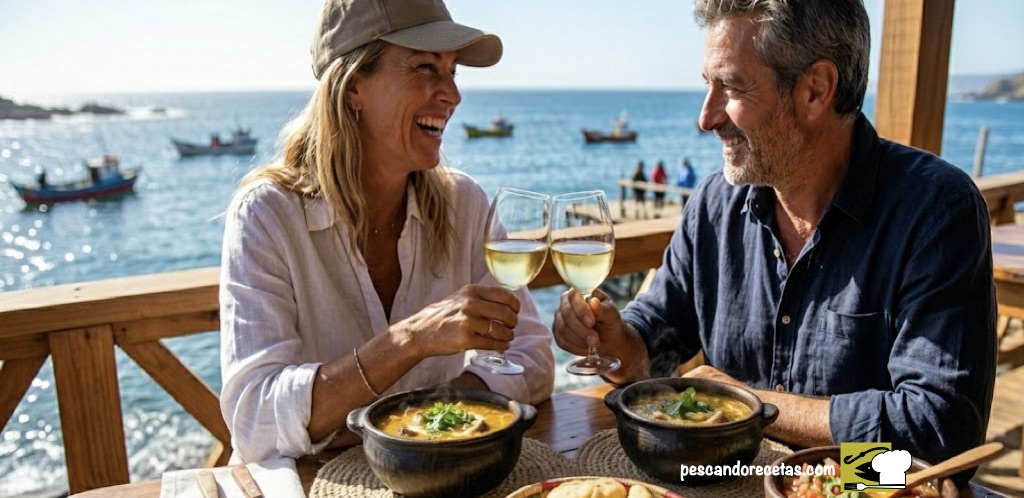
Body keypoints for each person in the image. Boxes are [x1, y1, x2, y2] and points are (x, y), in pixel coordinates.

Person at [552, 0, 995, 483]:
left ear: (816, 90)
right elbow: (655, 341)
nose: (706, 117)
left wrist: (752, 409)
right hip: (724, 483)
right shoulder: (715, 204)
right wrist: (615, 341)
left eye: (731, 87)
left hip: (861, 490)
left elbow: (943, 438)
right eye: (708, 85)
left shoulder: (936, 210)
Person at [219, 0, 554, 463]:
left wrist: (426, 417)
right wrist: (410, 340)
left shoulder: (464, 202)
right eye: (425, 67)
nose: (452, 95)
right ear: (353, 85)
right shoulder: (267, 214)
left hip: (437, 477)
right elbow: (254, 420)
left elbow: (532, 355)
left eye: (452, 71)